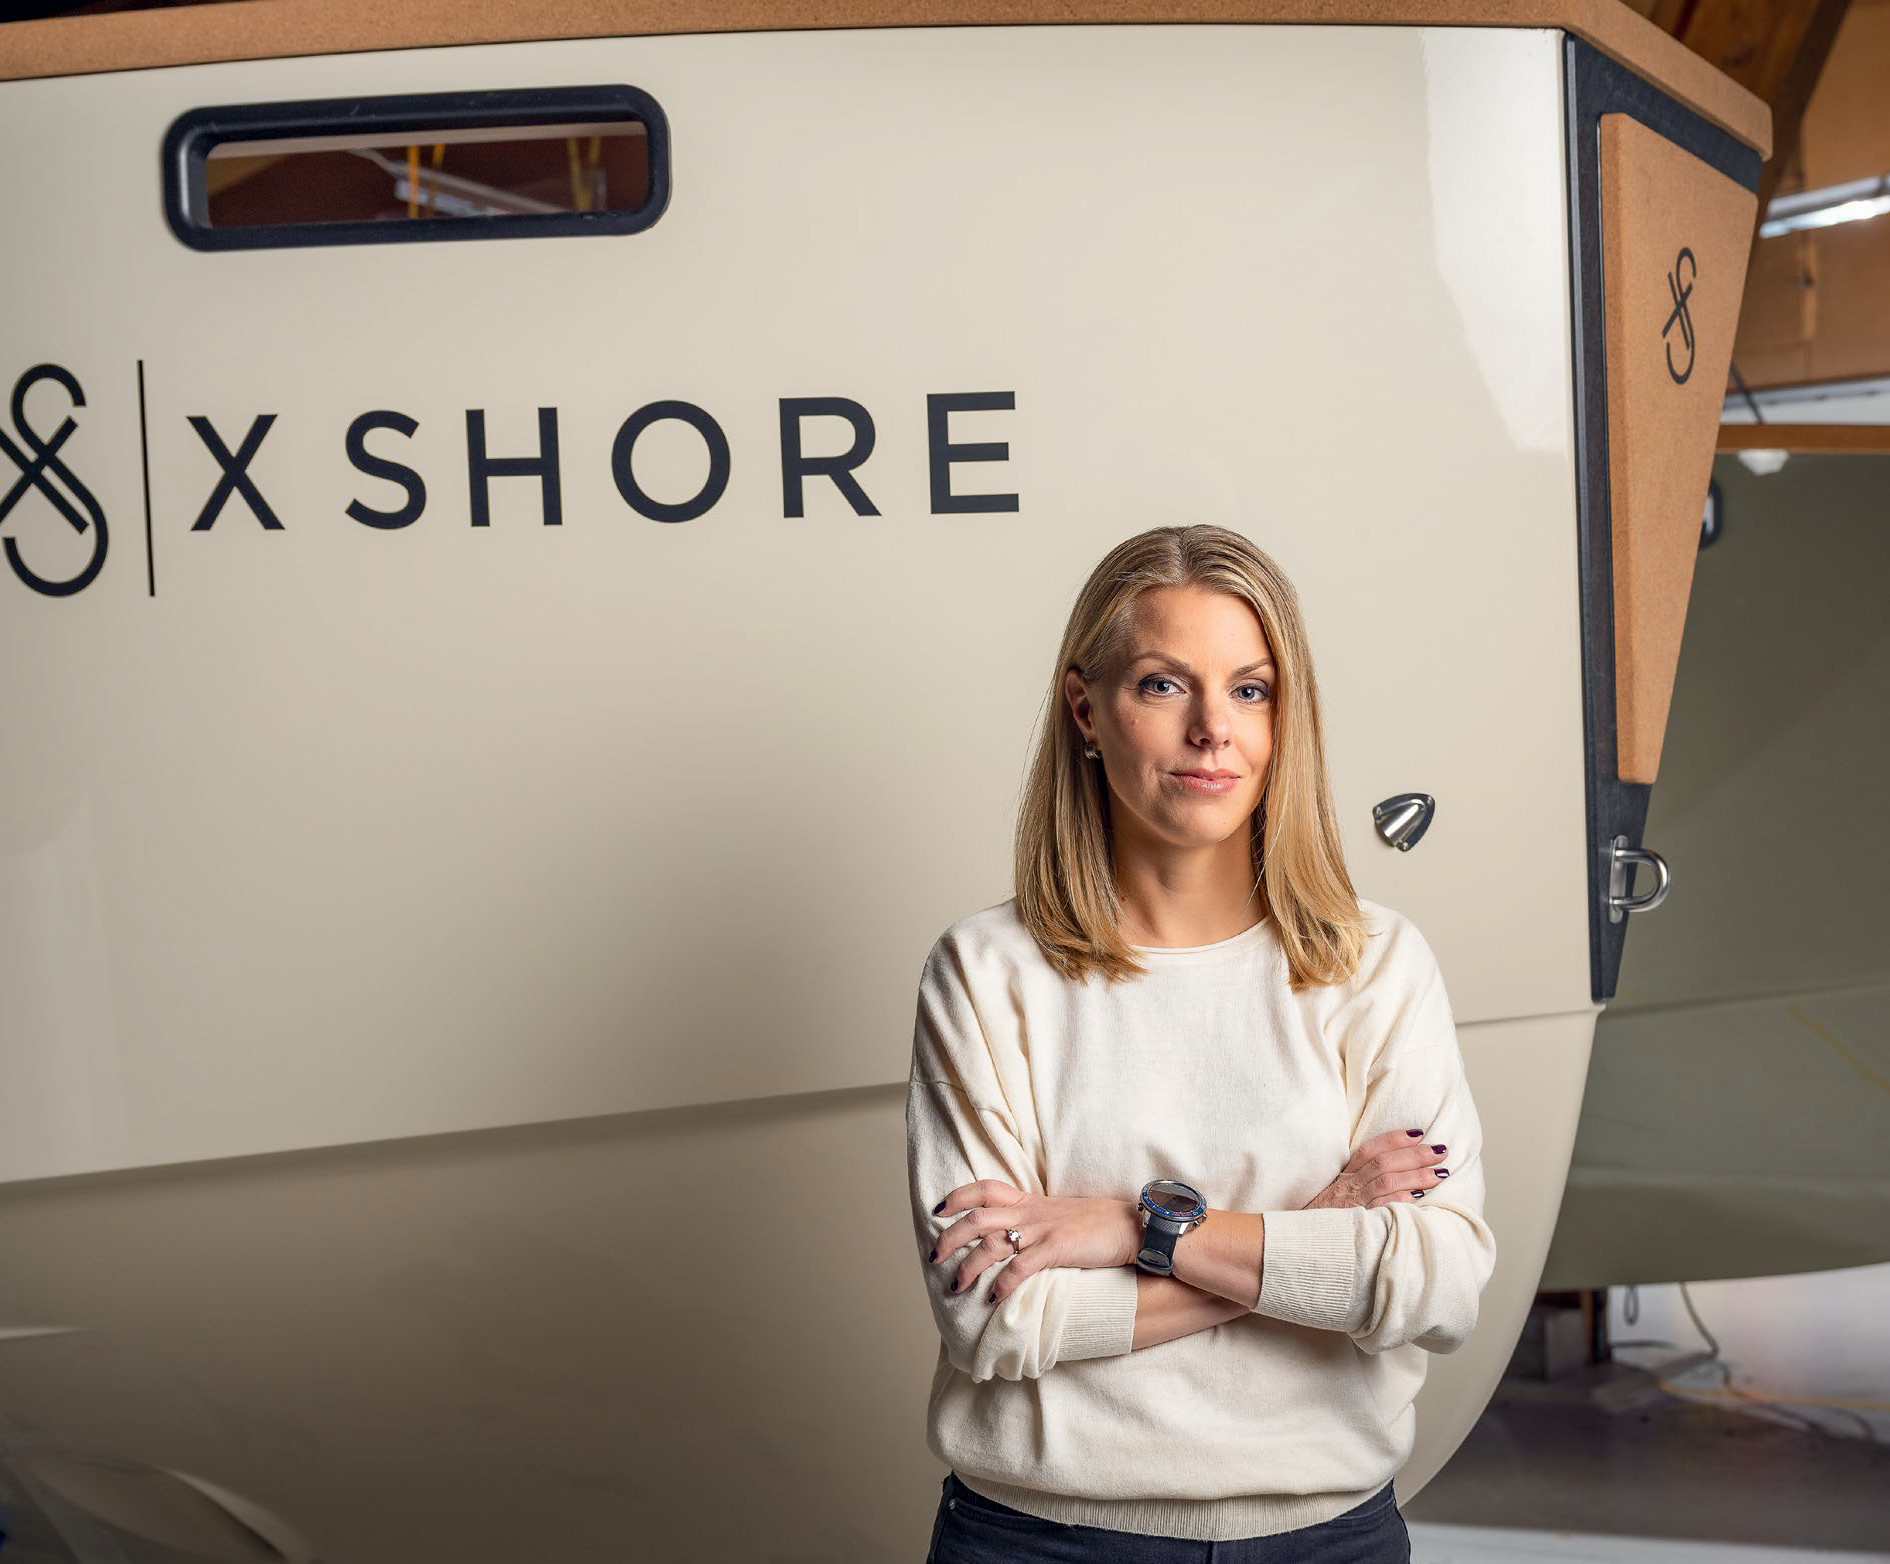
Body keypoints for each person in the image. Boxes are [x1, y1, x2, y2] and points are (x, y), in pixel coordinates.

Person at [905, 524, 1497, 1562]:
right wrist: (1313, 1235)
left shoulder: (1376, 965)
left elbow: (1439, 1289)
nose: (1213, 730)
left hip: (1328, 1541)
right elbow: (996, 1323)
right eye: (1163, 685)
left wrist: (1131, 1228)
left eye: (1251, 690)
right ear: (1086, 710)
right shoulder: (986, 973)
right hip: (1042, 1544)